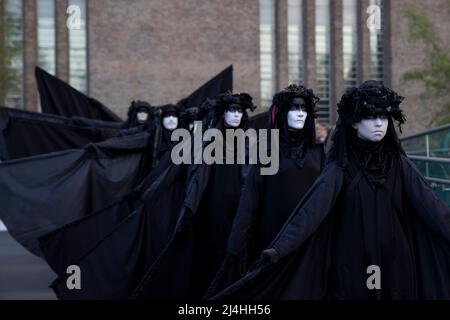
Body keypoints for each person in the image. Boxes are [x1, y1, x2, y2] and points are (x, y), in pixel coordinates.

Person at [214, 80, 450, 300]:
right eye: (370, 116)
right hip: (352, 264)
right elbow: (310, 212)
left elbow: (433, 208)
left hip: (396, 263)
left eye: (383, 116)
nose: (378, 123)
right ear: (354, 122)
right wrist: (278, 250)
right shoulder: (340, 168)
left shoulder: (399, 166)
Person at [129, 92, 257, 300]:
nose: (236, 115)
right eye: (231, 110)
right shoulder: (208, 140)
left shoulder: (251, 142)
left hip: (241, 207)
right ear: (222, 113)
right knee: (213, 255)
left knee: (238, 255)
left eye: (239, 111)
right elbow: (192, 176)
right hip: (213, 208)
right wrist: (149, 193)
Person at [205, 84, 325, 298]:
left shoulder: (318, 152)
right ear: (282, 112)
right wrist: (236, 243)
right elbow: (250, 198)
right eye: (294, 108)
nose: (300, 113)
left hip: (310, 239)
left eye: (304, 108)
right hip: (273, 238)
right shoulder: (267, 148)